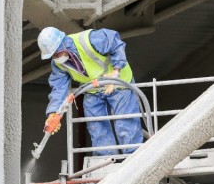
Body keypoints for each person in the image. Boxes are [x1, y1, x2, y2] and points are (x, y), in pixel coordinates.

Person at [38, 27, 143, 155]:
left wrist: (116, 70)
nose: (55, 57)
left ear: (64, 43)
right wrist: (53, 113)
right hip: (93, 89)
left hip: (118, 83)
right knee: (96, 127)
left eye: (56, 53)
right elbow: (59, 88)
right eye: (52, 55)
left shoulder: (89, 40)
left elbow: (115, 42)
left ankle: (133, 156)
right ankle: (105, 160)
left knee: (125, 123)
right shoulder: (58, 64)